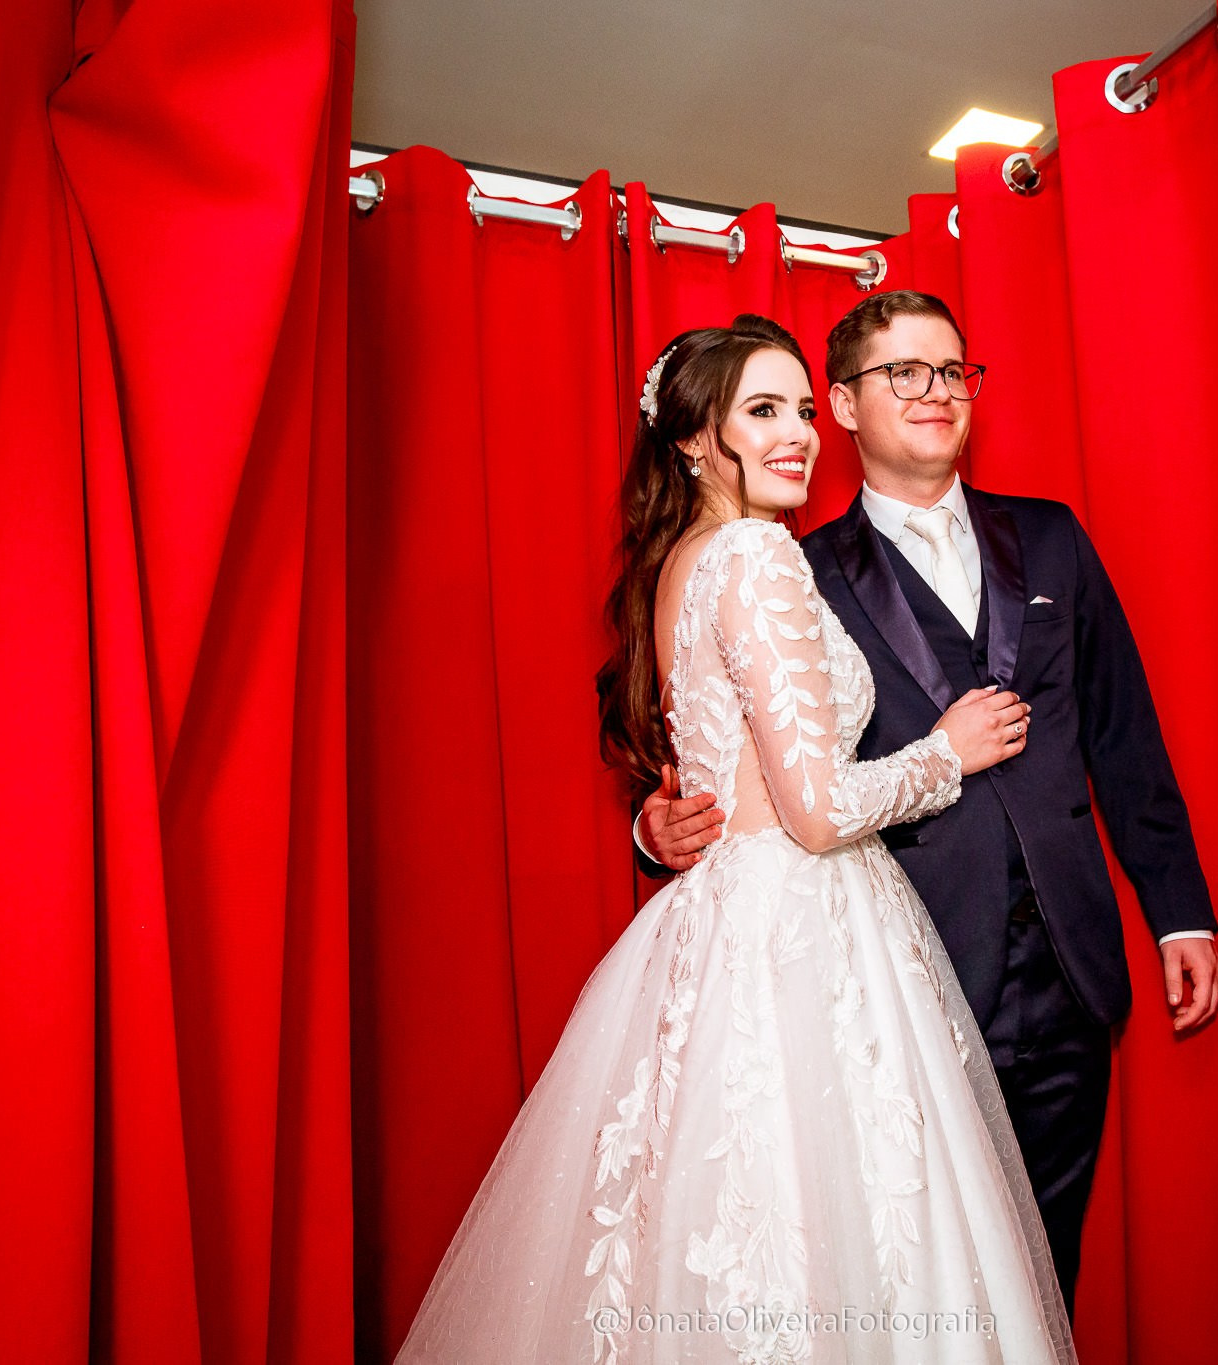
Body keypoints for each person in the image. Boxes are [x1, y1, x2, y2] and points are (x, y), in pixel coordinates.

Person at [394, 315, 1078, 1363]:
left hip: (719, 928)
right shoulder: (758, 556)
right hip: (803, 925)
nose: (796, 433)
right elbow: (813, 812)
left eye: (802, 410)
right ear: (691, 438)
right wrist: (949, 750)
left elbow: (725, 772)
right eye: (761, 411)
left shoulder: (681, 564)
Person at [639, 291, 1218, 1315]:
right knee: (896, 1274)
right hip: (886, 989)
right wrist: (655, 826)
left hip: (1067, 978)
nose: (933, 391)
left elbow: (1124, 736)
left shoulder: (1050, 540)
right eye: (901, 372)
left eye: (951, 370)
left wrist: (1178, 909)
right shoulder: (787, 562)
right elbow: (715, 745)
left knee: (1038, 1276)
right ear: (848, 405)